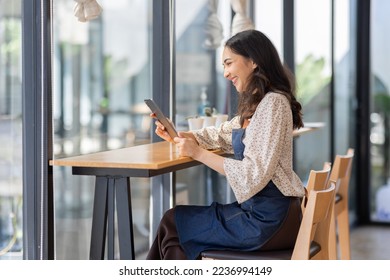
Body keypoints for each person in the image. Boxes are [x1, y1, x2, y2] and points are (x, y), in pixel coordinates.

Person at [146, 29, 305, 260]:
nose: (225, 73)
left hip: (267, 221)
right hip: (264, 215)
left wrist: (198, 153)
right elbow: (221, 135)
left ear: (253, 61)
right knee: (178, 231)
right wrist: (179, 135)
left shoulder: (273, 104)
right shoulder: (259, 105)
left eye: (229, 63)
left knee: (174, 223)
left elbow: (252, 175)